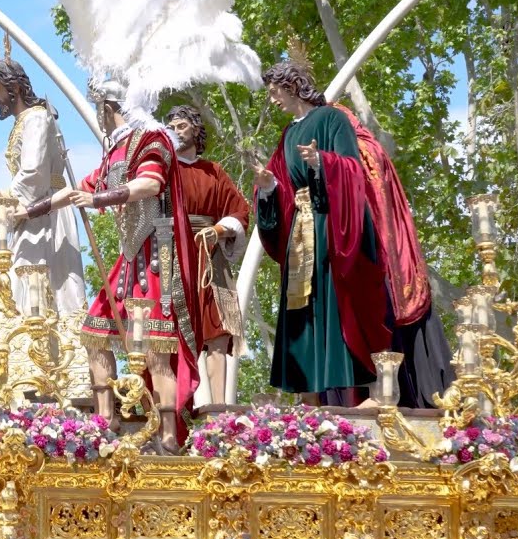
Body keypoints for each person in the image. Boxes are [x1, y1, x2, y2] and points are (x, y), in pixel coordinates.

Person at [27, 81, 201, 453]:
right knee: (94, 332)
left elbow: (150, 184)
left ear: (107, 106)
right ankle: (105, 422)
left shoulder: (151, 138)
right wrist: (29, 212)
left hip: (156, 254)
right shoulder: (116, 149)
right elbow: (80, 188)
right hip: (130, 257)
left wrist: (97, 198)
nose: (98, 118)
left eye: (98, 109)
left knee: (155, 349)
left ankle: (168, 436)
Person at [252, 62, 391, 405]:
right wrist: (269, 188)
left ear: (293, 86)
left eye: (275, 92)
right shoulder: (288, 134)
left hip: (333, 226)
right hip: (300, 230)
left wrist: (321, 163)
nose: (273, 100)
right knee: (303, 310)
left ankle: (362, 396)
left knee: (339, 305)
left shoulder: (332, 119)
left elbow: (351, 170)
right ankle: (309, 400)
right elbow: (282, 184)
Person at [334, 104, 456, 408]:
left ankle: (387, 395)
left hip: (381, 259)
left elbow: (370, 199)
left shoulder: (362, 150)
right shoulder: (358, 148)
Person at [0, 29, 84, 315]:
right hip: (30, 210)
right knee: (19, 282)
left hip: (45, 211)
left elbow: (34, 171)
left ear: (12, 87)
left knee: (36, 281)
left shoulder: (37, 118)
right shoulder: (25, 120)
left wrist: (8, 202)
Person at [165, 105, 250, 405]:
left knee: (217, 334)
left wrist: (219, 229)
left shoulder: (213, 172)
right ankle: (174, 412)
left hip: (210, 260)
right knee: (170, 335)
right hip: (172, 259)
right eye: (171, 125)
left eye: (182, 124)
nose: (176, 129)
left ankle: (219, 410)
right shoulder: (164, 170)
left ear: (196, 130)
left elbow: (239, 211)